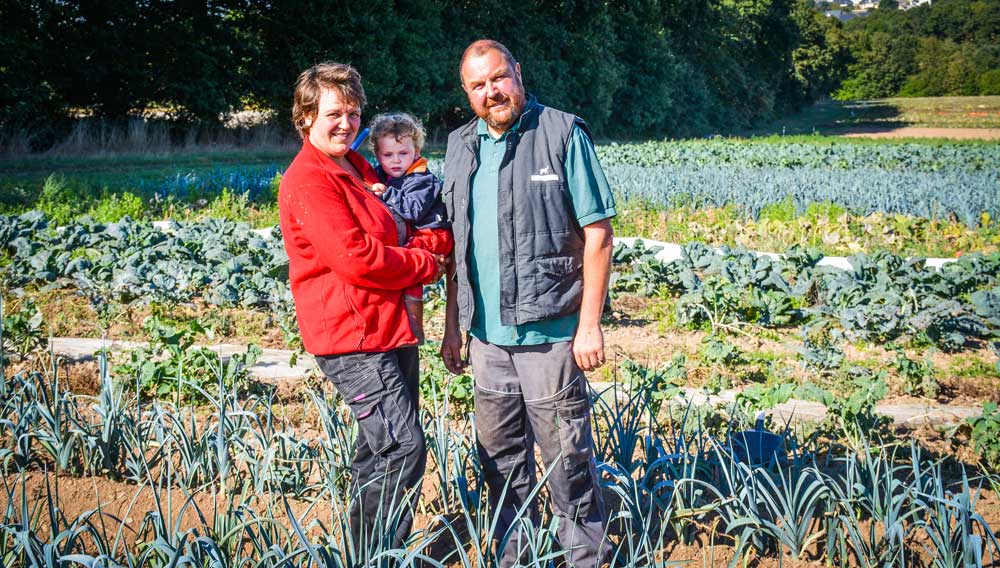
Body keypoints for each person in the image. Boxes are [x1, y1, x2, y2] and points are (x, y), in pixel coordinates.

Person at [439, 39, 616, 568]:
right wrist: (454, 326)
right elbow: (455, 249)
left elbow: (599, 234)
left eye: (499, 77)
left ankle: (586, 558)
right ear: (467, 93)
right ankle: (515, 557)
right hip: (487, 339)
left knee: (568, 464)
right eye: (478, 85)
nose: (492, 91)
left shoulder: (561, 132)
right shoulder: (459, 145)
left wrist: (590, 325)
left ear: (518, 72)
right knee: (500, 464)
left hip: (551, 335)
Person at [278, 62, 445, 553]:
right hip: (353, 338)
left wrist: (428, 239)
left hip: (387, 328)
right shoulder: (309, 179)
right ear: (306, 116)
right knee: (402, 448)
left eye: (352, 112)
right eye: (333, 113)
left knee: (378, 451)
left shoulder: (356, 165)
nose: (346, 123)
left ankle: (365, 553)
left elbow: (401, 220)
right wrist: (425, 263)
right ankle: (375, 555)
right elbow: (358, 258)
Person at [367, 112, 452, 344]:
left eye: (403, 154)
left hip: (433, 233)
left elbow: (413, 210)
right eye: (388, 155)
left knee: (407, 262)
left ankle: (414, 325)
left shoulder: (421, 178)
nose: (396, 161)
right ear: (378, 155)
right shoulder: (383, 174)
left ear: (416, 153)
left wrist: (387, 193)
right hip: (421, 231)